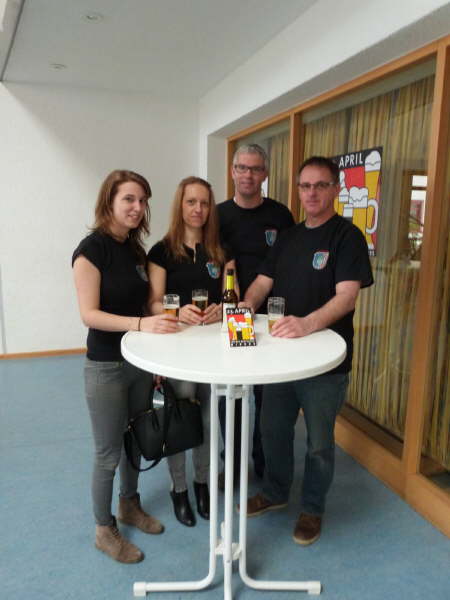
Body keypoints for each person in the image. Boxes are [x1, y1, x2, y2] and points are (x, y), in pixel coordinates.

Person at [240, 156, 374, 546]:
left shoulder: (347, 237)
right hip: (281, 358)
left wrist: (306, 324)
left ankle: (312, 509)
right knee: (272, 430)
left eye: (320, 185)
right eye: (305, 186)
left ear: (335, 189)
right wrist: (246, 306)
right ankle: (275, 492)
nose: (311, 193)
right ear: (298, 190)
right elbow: (263, 281)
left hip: (325, 365)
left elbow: (347, 297)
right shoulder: (289, 237)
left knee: (318, 443)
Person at [72, 170, 179, 564]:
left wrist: (154, 354)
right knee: (108, 452)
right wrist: (140, 325)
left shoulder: (135, 250)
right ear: (109, 202)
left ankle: (129, 505)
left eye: (143, 201)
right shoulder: (91, 250)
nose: (137, 208)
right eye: (129, 199)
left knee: (134, 439)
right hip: (105, 366)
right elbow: (89, 314)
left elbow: (143, 305)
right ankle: (104, 529)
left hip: (138, 363)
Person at [148, 176, 237, 526]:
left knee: (206, 421)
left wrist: (222, 309)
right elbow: (153, 303)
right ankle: (179, 488)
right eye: (191, 202)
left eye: (204, 203)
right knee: (179, 420)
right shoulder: (162, 251)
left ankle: (202, 484)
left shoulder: (222, 250)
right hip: (177, 349)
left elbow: (233, 298)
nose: (198, 209)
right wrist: (176, 311)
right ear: (180, 205)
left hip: (213, 351)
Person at [217, 143, 295, 484]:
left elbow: (287, 264)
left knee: (268, 398)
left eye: (255, 168)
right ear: (232, 171)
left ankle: (264, 461)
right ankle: (232, 464)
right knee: (230, 396)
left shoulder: (281, 215)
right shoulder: (217, 216)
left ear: (265, 173)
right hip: (231, 316)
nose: (248, 175)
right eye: (242, 168)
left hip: (271, 319)